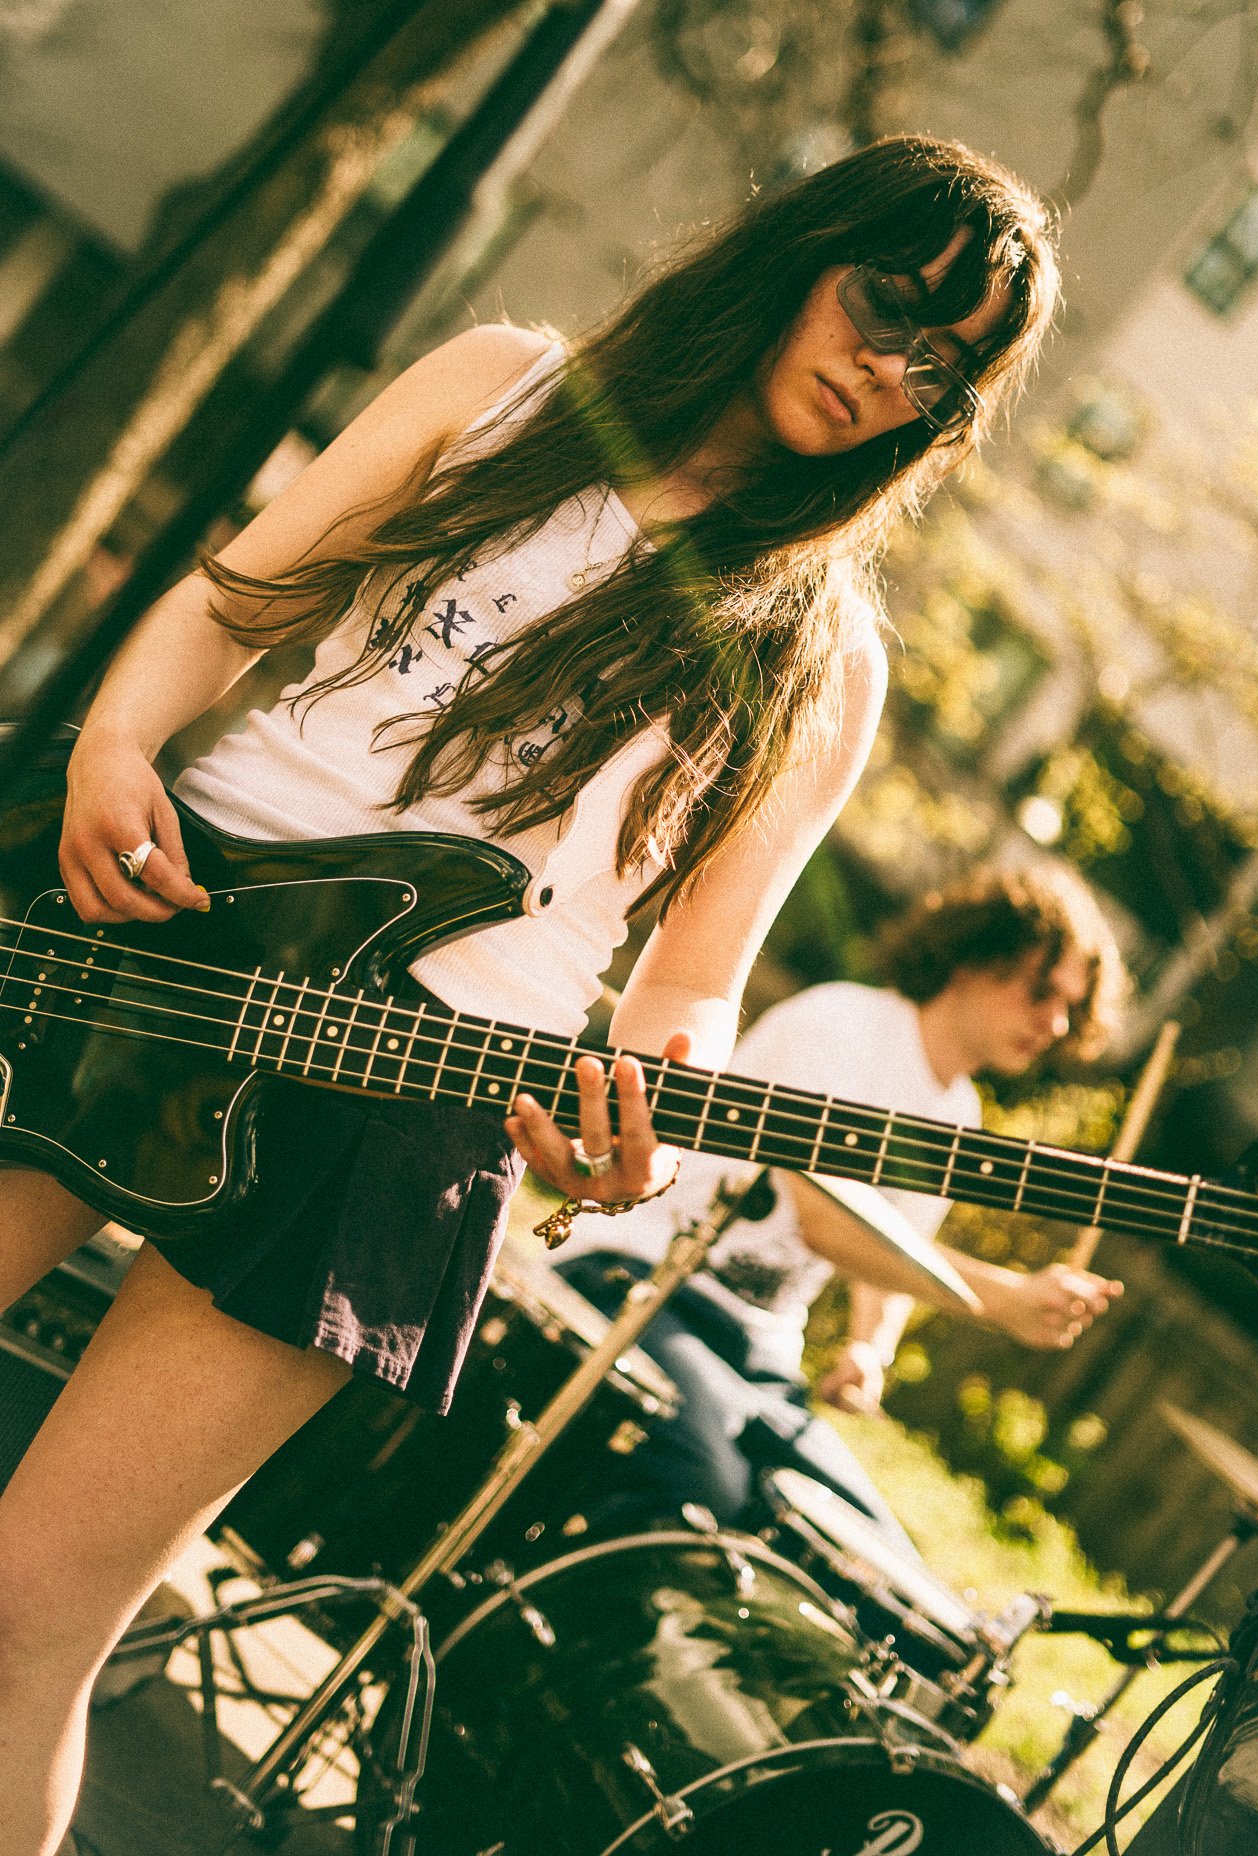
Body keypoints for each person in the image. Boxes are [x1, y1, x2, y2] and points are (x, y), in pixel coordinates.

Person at [0, 134, 1059, 1856]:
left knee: (28, 1622)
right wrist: (118, 738)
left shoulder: (825, 652)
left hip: (395, 1097)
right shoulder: (507, 389)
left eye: (939, 371)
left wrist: (630, 1126)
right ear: (802, 250)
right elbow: (238, 599)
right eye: (888, 308)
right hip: (143, 926)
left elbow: (691, 982)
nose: (889, 374)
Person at [555, 865, 1127, 1540]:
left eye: (1069, 1007)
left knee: (863, 1552)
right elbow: (828, 1218)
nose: (1054, 1022)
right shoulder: (842, 1024)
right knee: (703, 1487)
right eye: (1041, 990)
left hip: (756, 1349)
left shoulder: (956, 1111)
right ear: (976, 956)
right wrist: (1002, 1298)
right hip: (643, 1280)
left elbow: (890, 1250)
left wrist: (868, 1349)